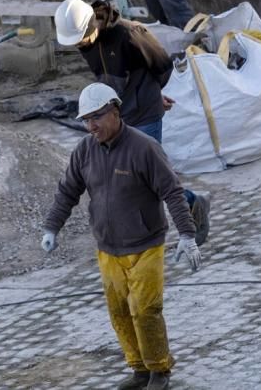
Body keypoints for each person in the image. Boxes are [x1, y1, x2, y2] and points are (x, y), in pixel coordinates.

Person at [41, 83, 202, 390]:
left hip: (146, 246)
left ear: (115, 112)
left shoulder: (144, 148)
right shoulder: (84, 151)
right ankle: (138, 369)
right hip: (108, 248)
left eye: (97, 117)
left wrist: (187, 234)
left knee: (144, 310)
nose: (91, 126)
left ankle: (159, 370)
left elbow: (172, 190)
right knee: (119, 313)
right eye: (86, 120)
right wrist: (51, 227)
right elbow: (67, 191)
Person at [54, 0, 210, 246]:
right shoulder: (86, 43)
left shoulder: (129, 33)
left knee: (150, 176)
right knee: (133, 177)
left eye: (81, 38)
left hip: (145, 114)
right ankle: (179, 209)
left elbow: (161, 65)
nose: (80, 45)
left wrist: (150, 95)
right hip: (118, 116)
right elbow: (106, 79)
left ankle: (190, 207)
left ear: (91, 24)